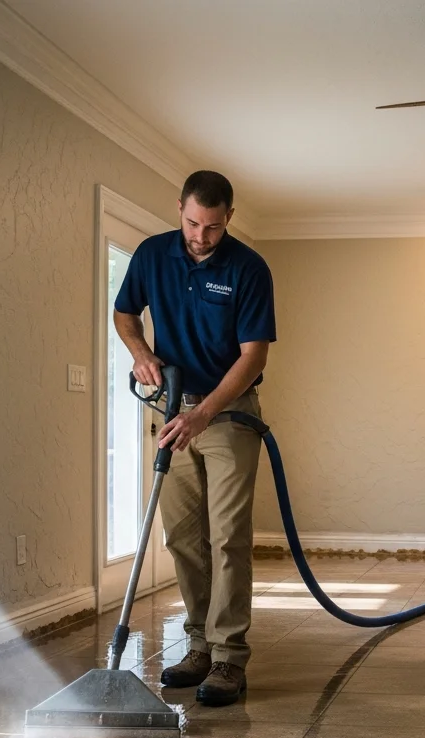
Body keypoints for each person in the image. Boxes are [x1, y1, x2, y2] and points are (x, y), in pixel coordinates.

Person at [112, 170, 274, 706]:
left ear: (230, 216)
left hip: (226, 414)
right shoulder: (153, 254)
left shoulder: (249, 268)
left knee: (226, 537)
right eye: (191, 222)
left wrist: (205, 412)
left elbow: (254, 356)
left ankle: (229, 659)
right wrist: (140, 352)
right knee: (183, 536)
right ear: (179, 207)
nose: (200, 236)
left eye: (211, 226)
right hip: (171, 410)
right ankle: (200, 646)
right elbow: (125, 312)